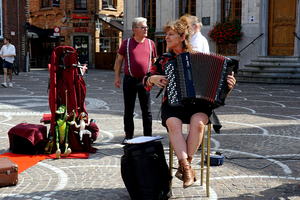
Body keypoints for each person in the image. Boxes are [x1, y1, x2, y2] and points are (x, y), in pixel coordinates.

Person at [143, 16, 236, 189]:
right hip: (173, 104)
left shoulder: (197, 57)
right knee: (173, 123)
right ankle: (187, 170)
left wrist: (229, 85)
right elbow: (145, 80)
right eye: (167, 34)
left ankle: (185, 167)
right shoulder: (163, 59)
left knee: (199, 124)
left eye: (171, 35)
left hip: (199, 105)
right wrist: (153, 79)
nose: (167, 38)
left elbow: (219, 90)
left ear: (182, 37)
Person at [114, 17, 157, 143]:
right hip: (129, 80)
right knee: (129, 110)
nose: (146, 29)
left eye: (146, 27)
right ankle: (128, 135)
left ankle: (148, 136)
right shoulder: (126, 43)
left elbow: (154, 62)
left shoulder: (151, 43)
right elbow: (119, 61)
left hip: (145, 81)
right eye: (143, 27)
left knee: (147, 110)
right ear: (135, 29)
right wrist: (117, 77)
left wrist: (154, 78)